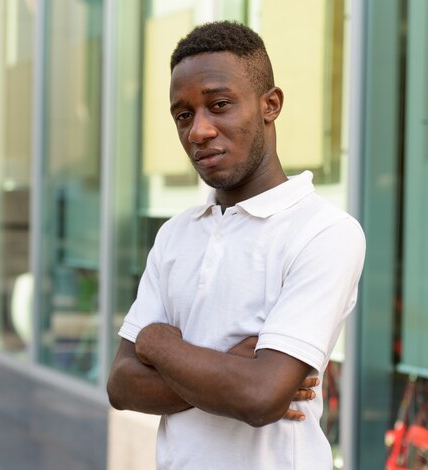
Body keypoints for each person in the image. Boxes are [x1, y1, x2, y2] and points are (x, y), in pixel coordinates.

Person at [106, 21, 366, 470]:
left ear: (270, 105)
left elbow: (260, 396)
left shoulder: (324, 231)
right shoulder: (175, 234)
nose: (199, 131)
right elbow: (122, 385)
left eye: (219, 105)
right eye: (183, 115)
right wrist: (229, 370)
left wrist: (157, 344)